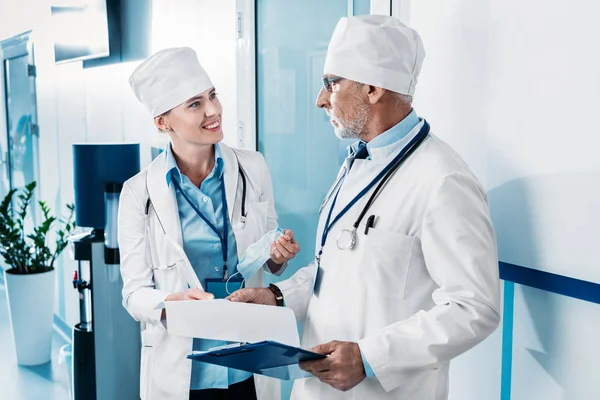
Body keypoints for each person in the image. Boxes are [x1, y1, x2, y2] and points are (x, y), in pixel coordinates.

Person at [227, 15, 501, 399]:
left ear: (372, 88)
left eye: (331, 84)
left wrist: (370, 357)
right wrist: (278, 296)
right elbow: (335, 271)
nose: (320, 99)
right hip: (317, 386)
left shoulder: (443, 180)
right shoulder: (356, 163)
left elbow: (475, 306)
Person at [118, 47, 300, 400]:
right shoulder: (138, 193)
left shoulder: (253, 168)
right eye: (194, 104)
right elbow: (134, 294)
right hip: (184, 372)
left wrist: (279, 254)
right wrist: (171, 302)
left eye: (212, 95)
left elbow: (270, 258)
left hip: (249, 362)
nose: (213, 110)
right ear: (162, 122)